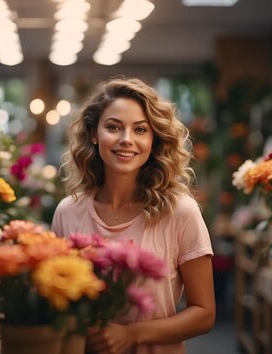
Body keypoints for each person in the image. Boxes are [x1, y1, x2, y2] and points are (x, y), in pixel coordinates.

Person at [51, 77, 215, 354]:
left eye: (140, 129)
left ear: (153, 140)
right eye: (113, 127)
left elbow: (204, 313)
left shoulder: (181, 212)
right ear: (94, 134)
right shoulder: (68, 212)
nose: (126, 140)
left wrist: (131, 334)